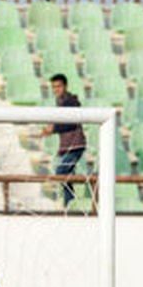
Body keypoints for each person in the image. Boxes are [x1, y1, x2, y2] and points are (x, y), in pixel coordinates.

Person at [39, 74, 85, 206]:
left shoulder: (70, 101)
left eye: (58, 86)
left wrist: (52, 129)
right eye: (53, 87)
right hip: (66, 145)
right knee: (67, 176)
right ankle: (70, 205)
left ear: (65, 86)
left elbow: (71, 123)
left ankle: (70, 202)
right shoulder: (61, 102)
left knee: (61, 172)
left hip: (75, 145)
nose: (56, 89)